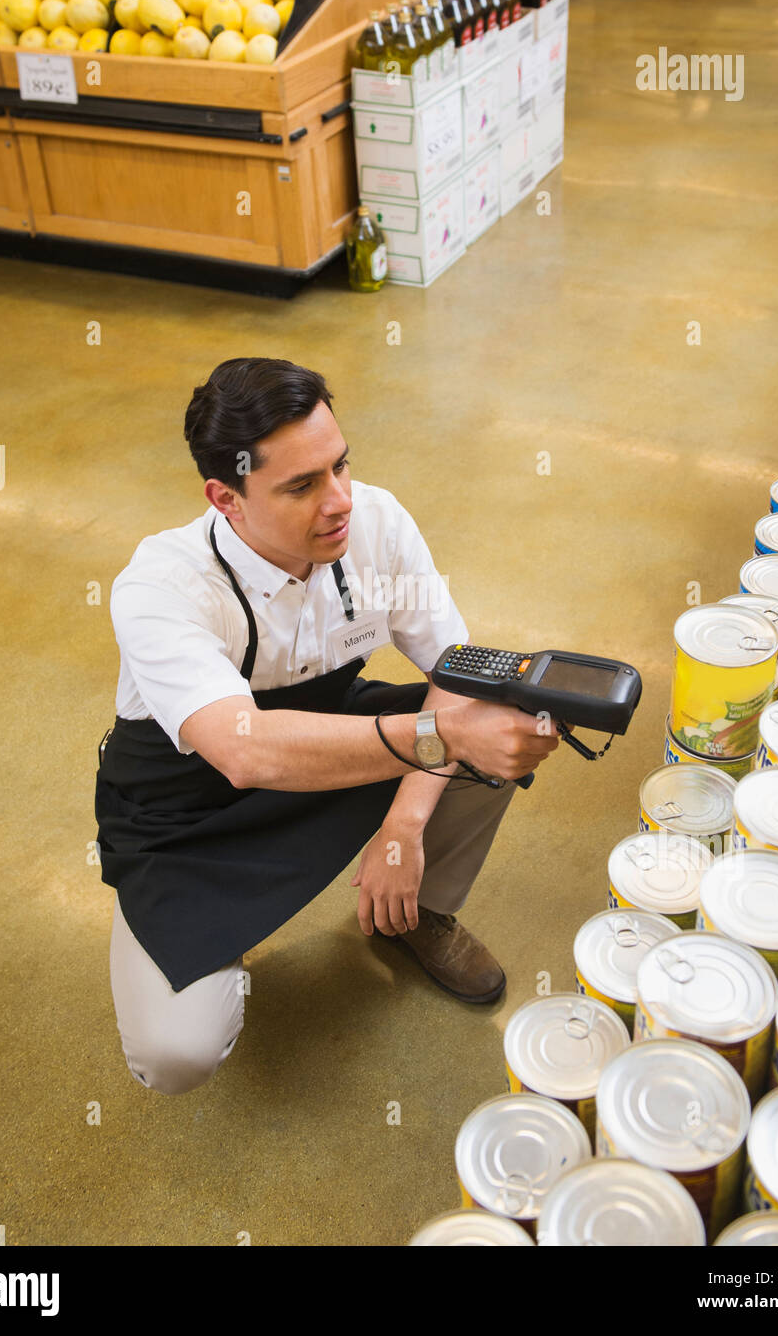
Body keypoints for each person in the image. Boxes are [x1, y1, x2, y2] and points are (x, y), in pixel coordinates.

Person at [94, 357, 564, 1095]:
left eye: (340, 466)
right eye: (302, 486)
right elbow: (243, 753)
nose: (339, 500)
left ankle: (418, 911)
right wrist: (440, 740)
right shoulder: (161, 586)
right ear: (227, 498)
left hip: (326, 743)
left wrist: (407, 826)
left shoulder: (376, 524)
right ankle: (208, 942)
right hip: (186, 817)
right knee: (177, 1052)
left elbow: (455, 668)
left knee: (488, 711)